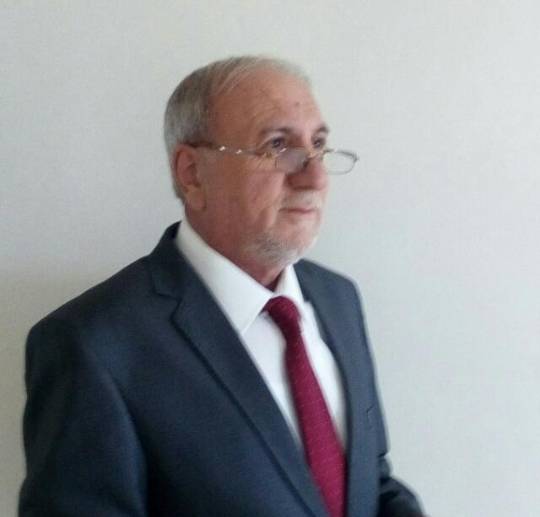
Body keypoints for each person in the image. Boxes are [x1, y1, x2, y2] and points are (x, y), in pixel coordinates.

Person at [19, 56, 425, 517]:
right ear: (192, 173)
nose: (314, 177)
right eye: (278, 145)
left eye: (318, 145)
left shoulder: (339, 299)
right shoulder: (92, 345)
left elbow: (371, 483)